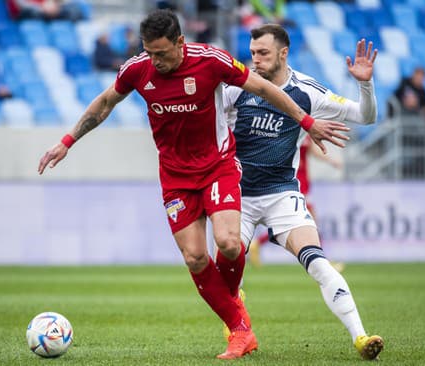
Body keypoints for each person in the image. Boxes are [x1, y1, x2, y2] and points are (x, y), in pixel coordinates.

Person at [38, 9, 349, 360]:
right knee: (195, 256)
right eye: (149, 52)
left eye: (162, 53)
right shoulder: (138, 69)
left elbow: (262, 86)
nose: (155, 61)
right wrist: (66, 141)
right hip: (175, 178)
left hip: (218, 166)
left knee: (230, 244)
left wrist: (306, 121)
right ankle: (240, 329)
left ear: (180, 43)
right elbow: (106, 102)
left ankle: (233, 310)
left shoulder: (211, 61)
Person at [222, 24, 383, 360]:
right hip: (236, 197)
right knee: (225, 271)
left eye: (263, 53)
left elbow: (365, 117)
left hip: (282, 194)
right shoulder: (237, 88)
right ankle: (238, 327)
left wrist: (364, 84)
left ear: (283, 53)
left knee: (320, 264)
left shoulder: (307, 91)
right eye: (252, 53)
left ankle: (361, 337)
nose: (255, 60)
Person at [248, 136, 342, 268]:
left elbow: (312, 151)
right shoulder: (287, 128)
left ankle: (258, 243)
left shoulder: (305, 130)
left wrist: (331, 161)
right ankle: (323, 261)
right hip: (294, 179)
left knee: (297, 220)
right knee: (310, 220)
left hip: (304, 178)